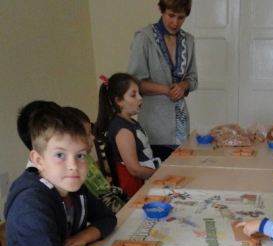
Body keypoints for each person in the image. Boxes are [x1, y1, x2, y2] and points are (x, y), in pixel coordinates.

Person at [4, 106, 117, 246]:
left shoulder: (72, 186)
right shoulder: (30, 208)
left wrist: (82, 238)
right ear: (39, 160)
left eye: (80, 155)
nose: (73, 165)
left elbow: (108, 218)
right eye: (59, 155)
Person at [127, 0, 198, 162]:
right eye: (171, 15)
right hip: (154, 124)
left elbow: (193, 79)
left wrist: (183, 85)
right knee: (159, 173)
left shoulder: (188, 40)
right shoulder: (144, 38)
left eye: (181, 17)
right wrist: (166, 90)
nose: (175, 23)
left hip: (180, 122)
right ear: (161, 9)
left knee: (181, 170)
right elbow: (133, 83)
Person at [95, 72, 161, 198]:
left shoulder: (130, 122)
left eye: (139, 93)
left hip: (144, 180)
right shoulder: (122, 130)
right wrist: (160, 174)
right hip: (134, 188)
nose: (140, 98)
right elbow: (134, 169)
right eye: (133, 95)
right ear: (119, 101)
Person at [64, 106, 129, 213]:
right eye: (88, 134)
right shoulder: (73, 171)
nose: (93, 137)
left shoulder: (87, 156)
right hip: (102, 208)